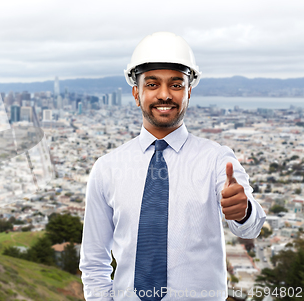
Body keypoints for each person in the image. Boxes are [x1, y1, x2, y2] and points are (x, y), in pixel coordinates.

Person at [79, 32, 266, 301]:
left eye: (176, 85)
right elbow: (94, 260)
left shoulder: (217, 159)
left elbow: (252, 228)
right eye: (152, 84)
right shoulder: (107, 168)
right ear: (136, 93)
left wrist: (243, 211)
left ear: (189, 91)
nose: (164, 95)